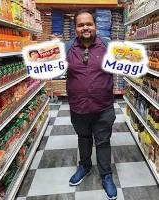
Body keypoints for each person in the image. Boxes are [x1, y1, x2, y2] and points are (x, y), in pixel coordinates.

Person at [66, 9, 117, 200]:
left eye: (89, 24)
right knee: (84, 138)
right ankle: (84, 166)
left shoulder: (108, 45)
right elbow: (52, 67)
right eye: (81, 25)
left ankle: (106, 175)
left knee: (103, 142)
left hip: (103, 107)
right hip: (78, 107)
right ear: (76, 28)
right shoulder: (67, 48)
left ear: (95, 26)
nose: (85, 28)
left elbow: (124, 63)